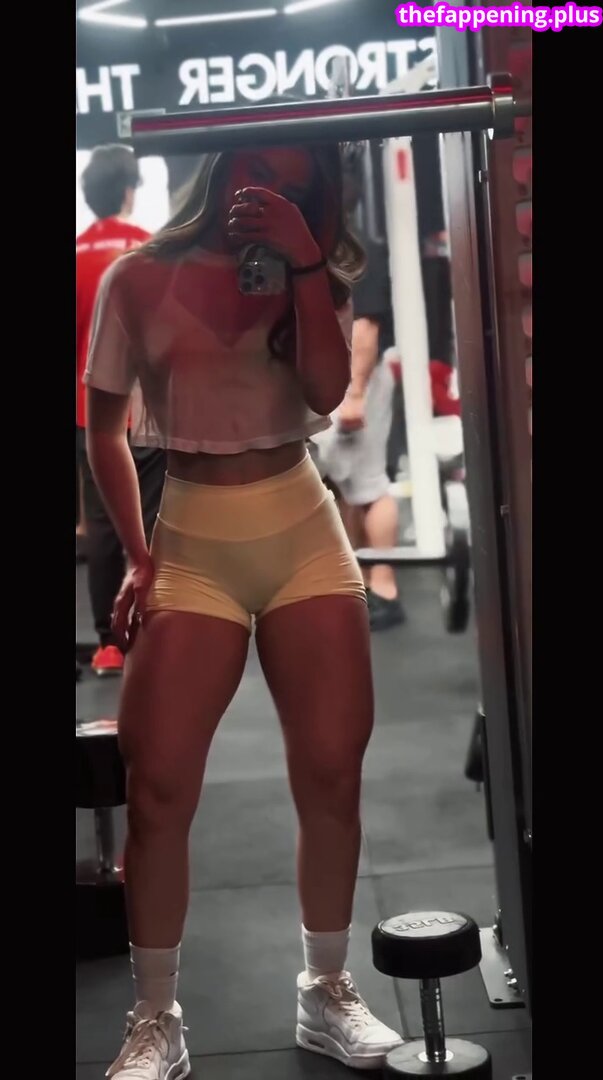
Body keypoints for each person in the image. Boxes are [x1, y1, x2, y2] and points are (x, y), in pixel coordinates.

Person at [84, 145, 403, 1078]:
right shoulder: (136, 278)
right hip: (192, 537)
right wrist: (138, 554)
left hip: (301, 527)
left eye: (294, 180)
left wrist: (303, 262)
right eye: (258, 167)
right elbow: (103, 426)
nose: (269, 188)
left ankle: (326, 988)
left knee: (332, 771)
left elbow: (323, 391)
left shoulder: (315, 274)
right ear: (223, 166)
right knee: (157, 785)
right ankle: (155, 1015)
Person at [77, 145, 166, 677]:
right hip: (147, 412)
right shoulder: (151, 252)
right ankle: (157, 631)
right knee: (153, 520)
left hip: (90, 413)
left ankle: (109, 644)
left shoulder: (76, 254)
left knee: (103, 523)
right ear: (131, 190)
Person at [311, 153, 406, 632]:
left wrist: (353, 394)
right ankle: (360, 584)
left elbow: (365, 328)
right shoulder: (321, 248)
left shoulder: (357, 249)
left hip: (357, 380)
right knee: (343, 488)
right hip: (336, 380)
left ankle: (385, 587)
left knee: (368, 486)